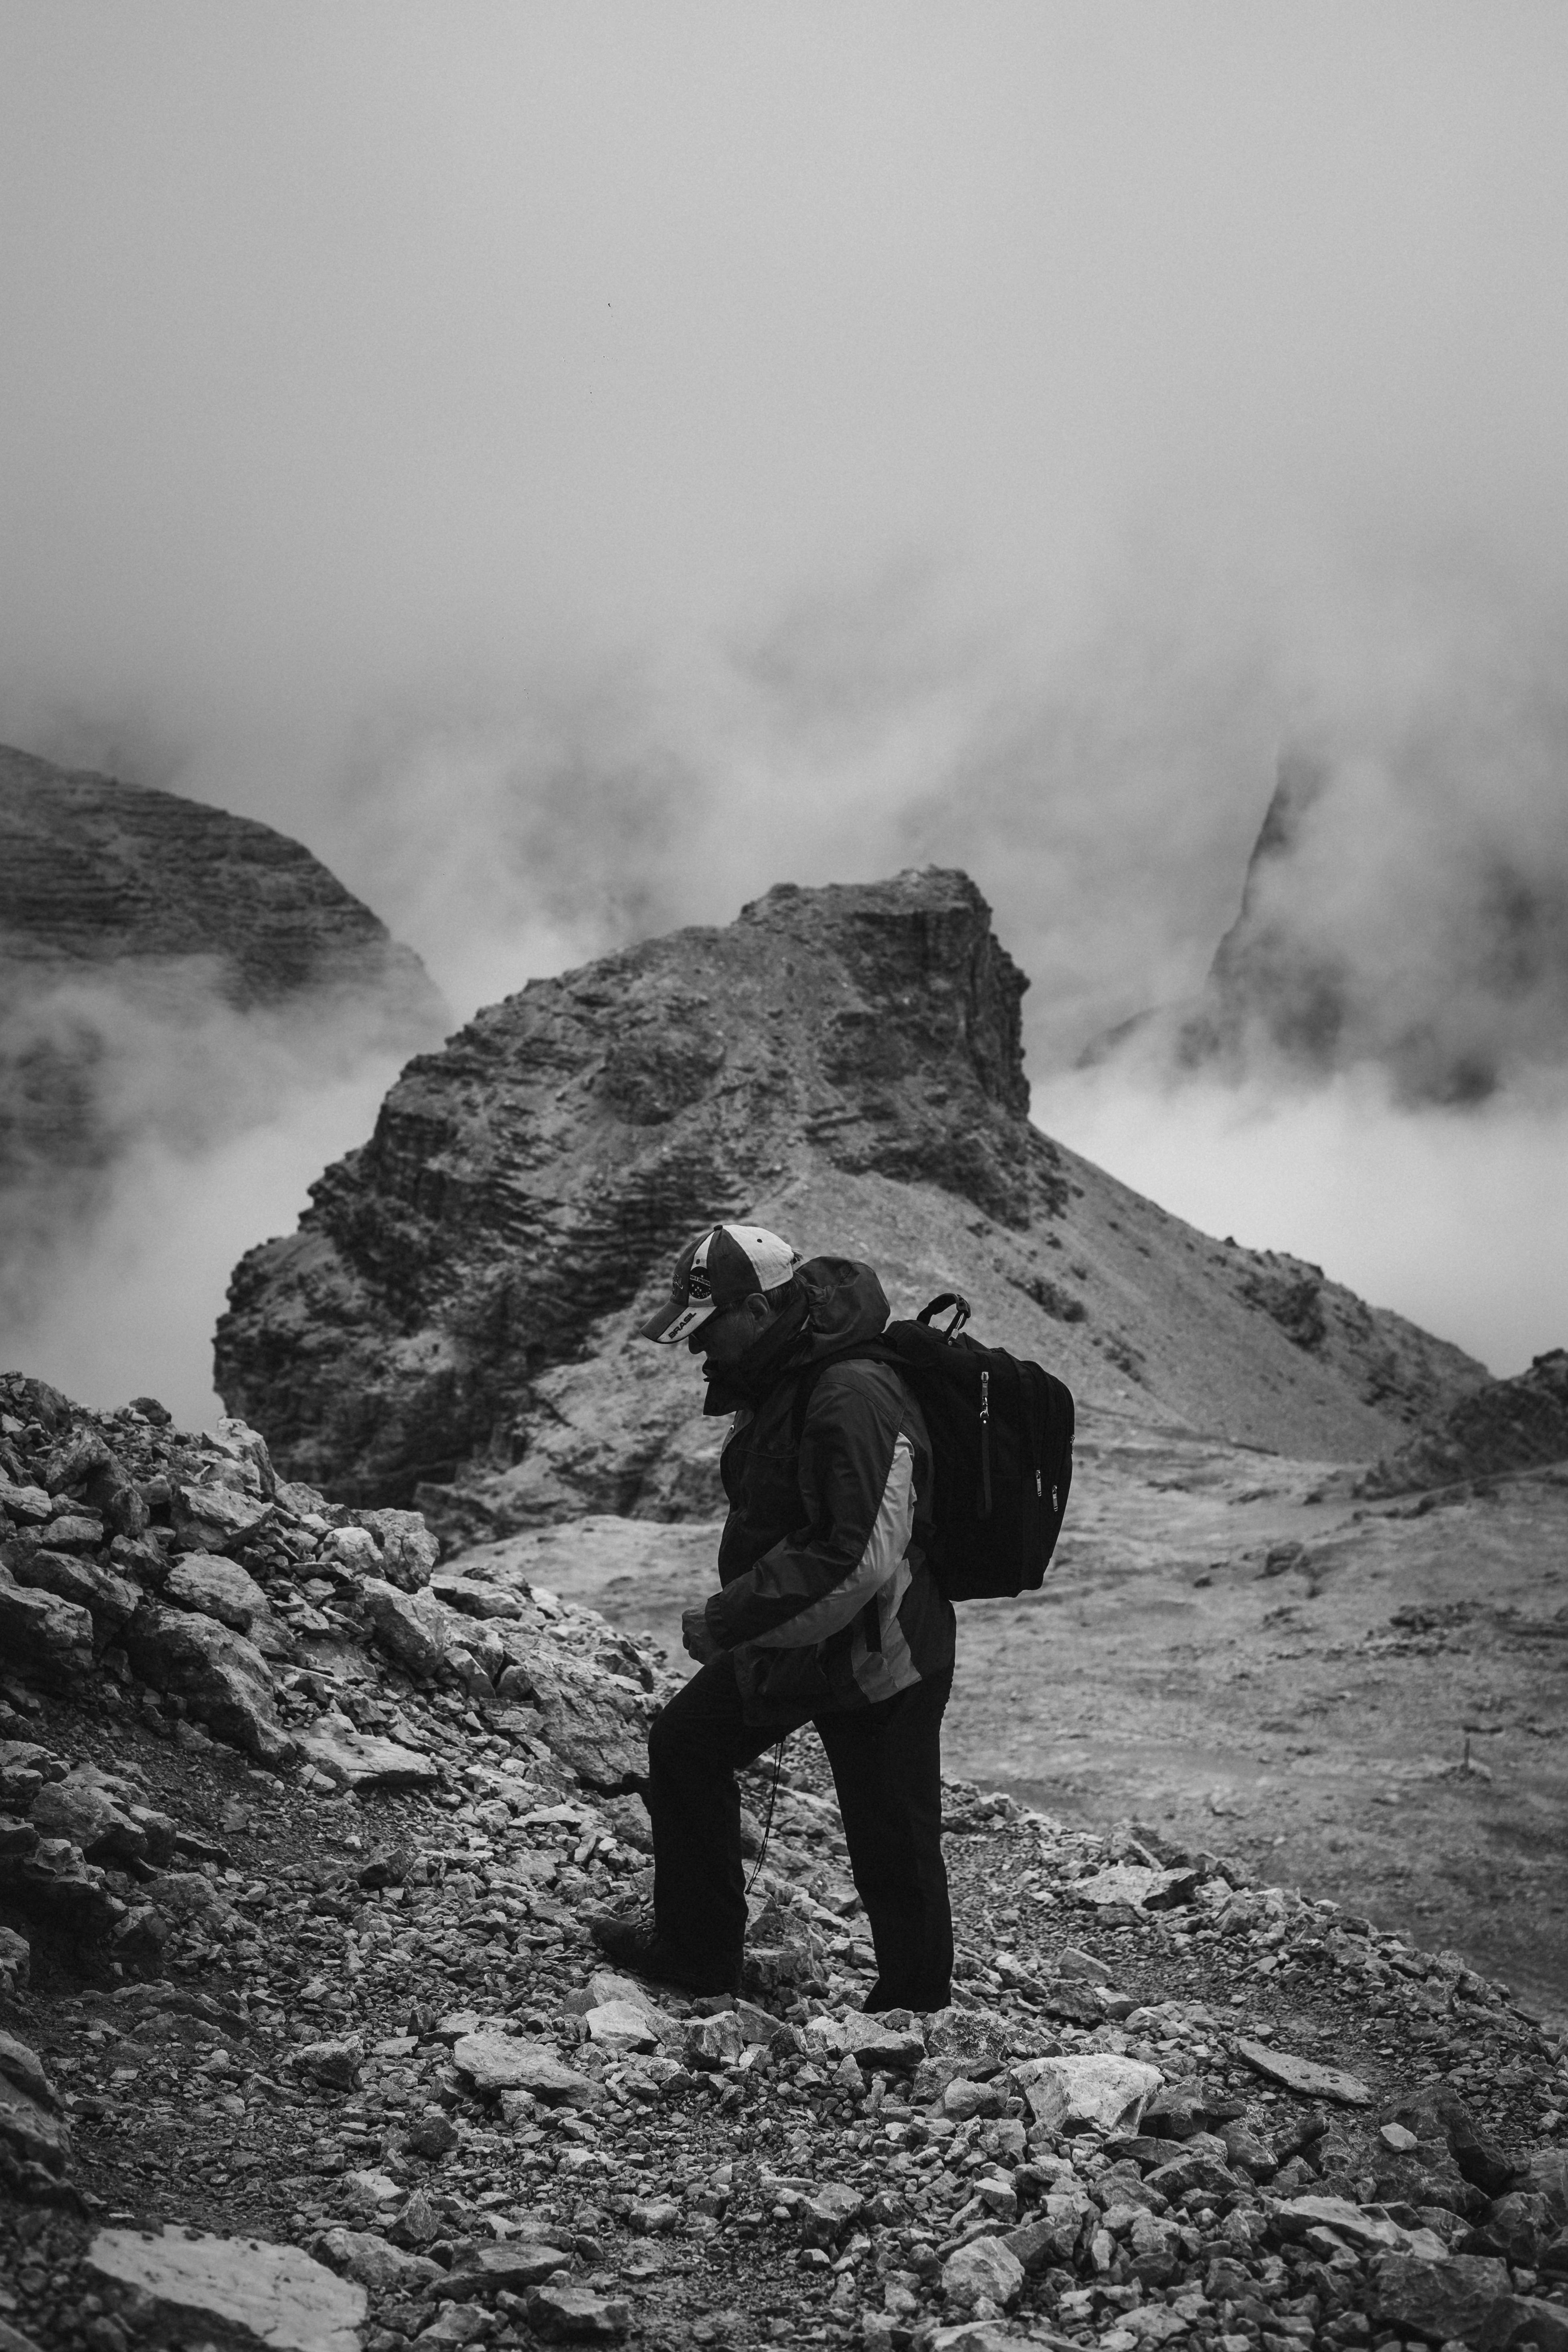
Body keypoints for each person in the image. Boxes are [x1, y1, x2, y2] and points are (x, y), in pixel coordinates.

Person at [591, 1221, 956, 2012]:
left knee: (892, 1841)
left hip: (882, 1647)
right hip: (804, 1639)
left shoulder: (852, 1389)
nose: (700, 1351)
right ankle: (695, 1955)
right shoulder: (782, 1372)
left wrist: (731, 1618)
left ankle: (911, 2016)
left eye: (708, 1328)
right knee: (686, 1743)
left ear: (756, 1308)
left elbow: (859, 1554)